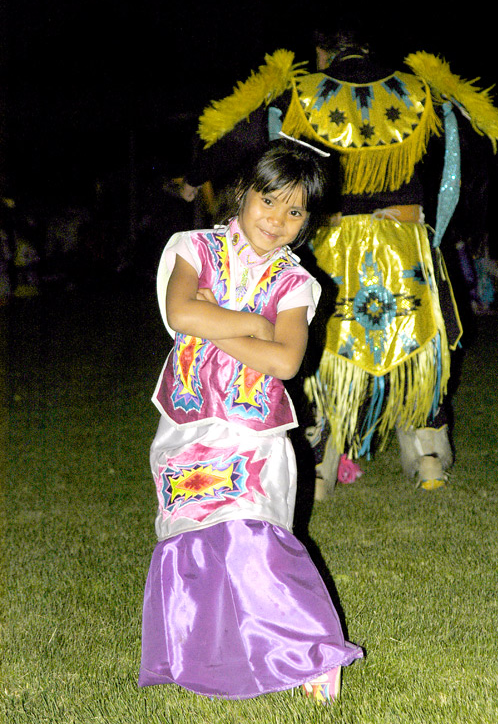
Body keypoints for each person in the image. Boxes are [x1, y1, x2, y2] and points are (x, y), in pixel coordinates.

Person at [177, 24, 498, 497]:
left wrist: (194, 179)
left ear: (322, 52)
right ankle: (428, 453)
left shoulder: (301, 92)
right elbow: (472, 142)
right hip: (403, 241)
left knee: (327, 348)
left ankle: (322, 463)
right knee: (417, 343)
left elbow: (240, 137)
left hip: (333, 246)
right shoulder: (418, 90)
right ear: (371, 47)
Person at [138, 141, 363, 703]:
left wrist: (221, 325)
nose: (278, 220)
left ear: (309, 221)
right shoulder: (193, 248)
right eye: (269, 201)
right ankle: (204, 651)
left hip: (253, 430)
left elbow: (286, 361)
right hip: (186, 423)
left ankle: (313, 654)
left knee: (255, 531)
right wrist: (254, 327)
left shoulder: (295, 283)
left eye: (295, 212)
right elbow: (180, 312)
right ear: (242, 193)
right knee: (192, 534)